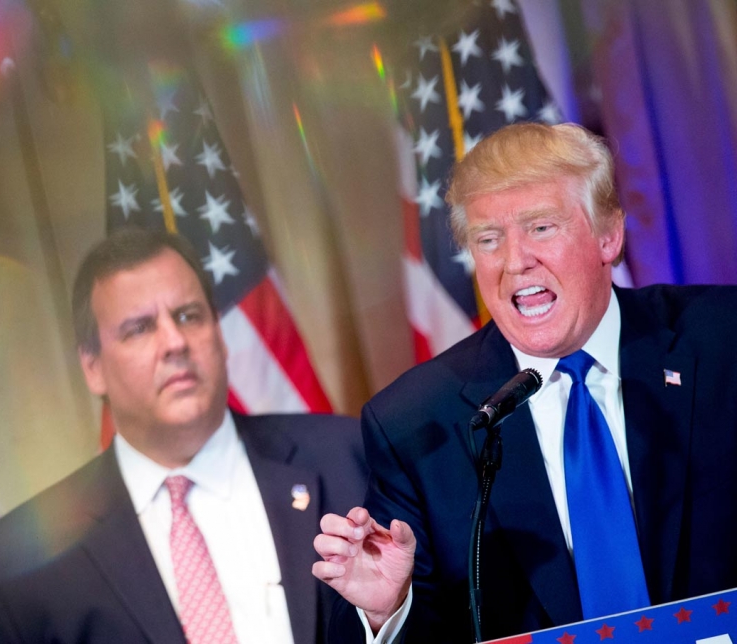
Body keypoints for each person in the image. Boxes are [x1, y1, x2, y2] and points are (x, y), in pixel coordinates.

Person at [313, 122, 737, 642]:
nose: (515, 262)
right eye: (489, 239)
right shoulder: (417, 422)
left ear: (608, 235)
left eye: (540, 227)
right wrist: (389, 610)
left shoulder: (723, 343)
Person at [0, 227, 368, 643]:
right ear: (93, 368)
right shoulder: (16, 569)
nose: (174, 342)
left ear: (218, 331)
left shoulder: (350, 458)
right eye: (139, 329)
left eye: (188, 316)